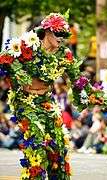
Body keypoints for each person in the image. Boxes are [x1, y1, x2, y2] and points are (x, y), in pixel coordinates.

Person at [0, 13, 77, 180]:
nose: (61, 38)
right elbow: (4, 58)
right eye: (58, 33)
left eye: (64, 35)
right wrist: (18, 75)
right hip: (25, 101)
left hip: (47, 102)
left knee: (58, 147)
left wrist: (92, 94)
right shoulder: (27, 45)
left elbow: (78, 81)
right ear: (47, 32)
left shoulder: (64, 54)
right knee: (37, 143)